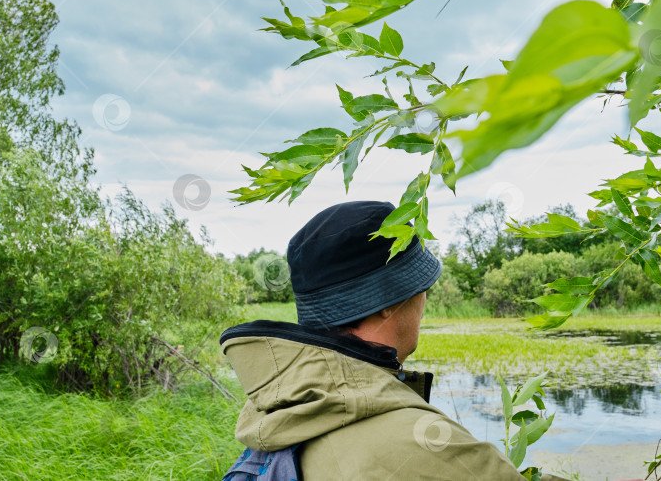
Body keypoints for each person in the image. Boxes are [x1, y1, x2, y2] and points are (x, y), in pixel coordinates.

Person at [220, 201, 629, 480]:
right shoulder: (422, 443)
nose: (424, 299)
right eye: (421, 286)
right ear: (385, 303)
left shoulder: (276, 410)